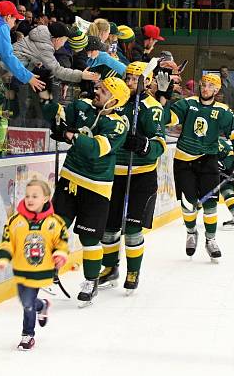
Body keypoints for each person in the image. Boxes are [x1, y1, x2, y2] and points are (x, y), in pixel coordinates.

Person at [49, 76, 130, 306]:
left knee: (89, 237)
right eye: (98, 88)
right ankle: (51, 266)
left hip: (96, 187)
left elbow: (95, 149)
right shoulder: (84, 106)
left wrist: (70, 135)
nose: (96, 91)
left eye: (102, 91)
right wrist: (54, 113)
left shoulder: (117, 125)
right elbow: (59, 116)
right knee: (55, 225)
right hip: (70, 178)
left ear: (113, 101)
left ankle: (91, 281)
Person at [99, 62, 167, 294]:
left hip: (141, 176)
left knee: (132, 229)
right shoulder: (117, 99)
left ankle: (133, 270)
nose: (128, 83)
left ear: (146, 82)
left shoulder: (152, 107)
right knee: (109, 226)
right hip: (113, 173)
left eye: (133, 79)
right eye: (126, 78)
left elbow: (160, 144)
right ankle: (110, 268)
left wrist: (144, 145)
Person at [166, 74, 234, 259]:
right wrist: (165, 97)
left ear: (217, 90)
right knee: (188, 204)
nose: (205, 88)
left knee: (210, 204)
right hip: (183, 161)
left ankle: (210, 240)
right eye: (203, 84)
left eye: (210, 85)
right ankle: (191, 232)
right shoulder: (188, 104)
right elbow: (167, 119)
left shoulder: (223, 111)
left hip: (208, 160)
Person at [0, 179, 69, 351]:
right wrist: (3, 257)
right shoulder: (15, 221)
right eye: (27, 195)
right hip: (21, 270)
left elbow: (62, 242)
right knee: (26, 301)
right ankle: (42, 305)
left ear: (46, 198)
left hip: (40, 271)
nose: (30, 199)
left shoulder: (55, 222)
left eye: (35, 196)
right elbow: (7, 242)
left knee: (27, 303)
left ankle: (28, 335)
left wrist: (60, 254)